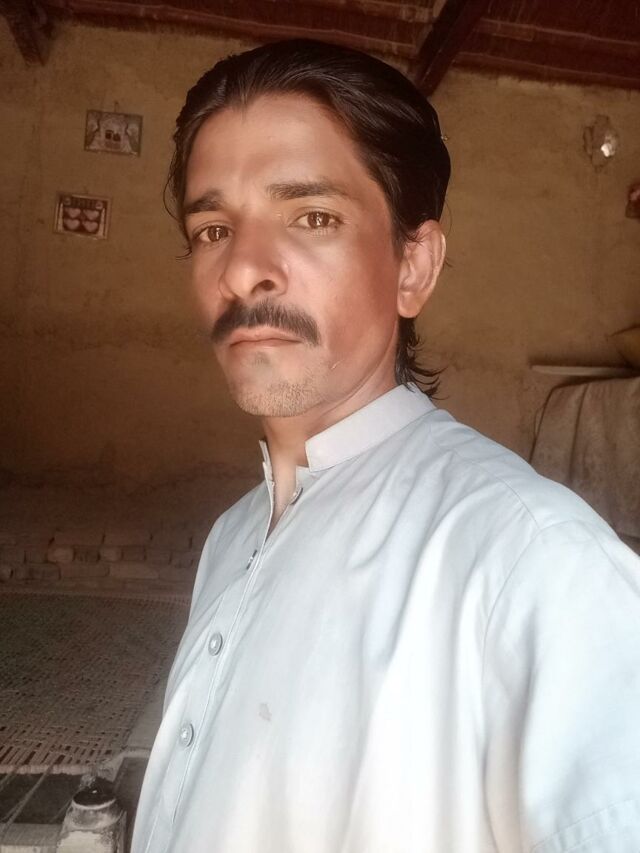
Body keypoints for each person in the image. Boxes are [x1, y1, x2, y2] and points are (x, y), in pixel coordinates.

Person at [132, 39, 640, 853]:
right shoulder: (233, 537)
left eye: (313, 217)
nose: (242, 270)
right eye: (213, 227)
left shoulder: (532, 562)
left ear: (413, 266)